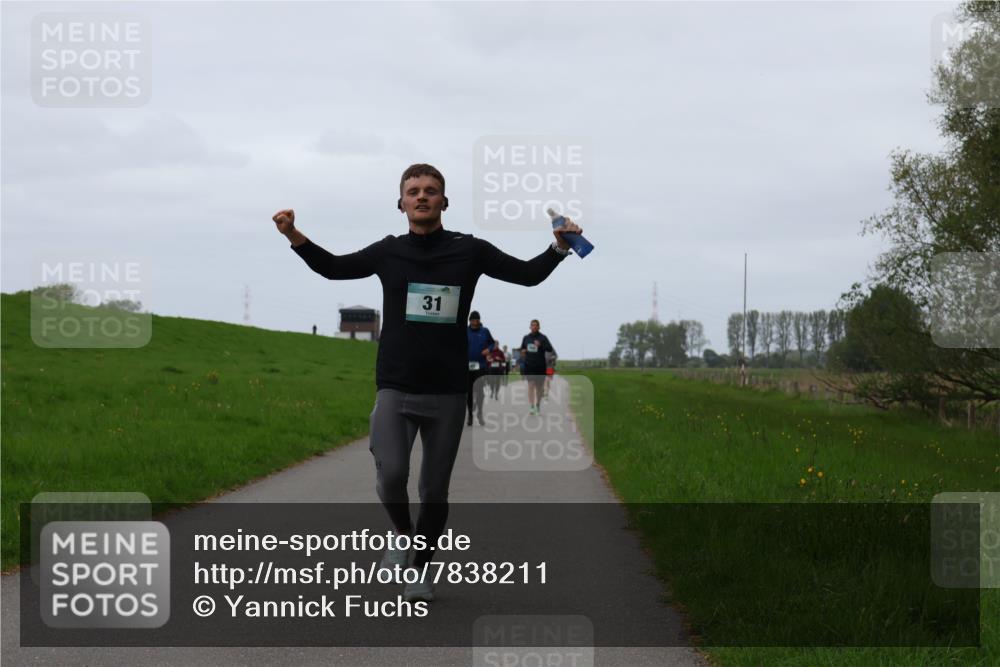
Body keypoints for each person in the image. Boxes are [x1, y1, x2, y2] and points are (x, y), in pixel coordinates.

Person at [274, 164, 582, 602]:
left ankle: (420, 568)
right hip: (395, 386)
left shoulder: (469, 250)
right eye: (413, 191)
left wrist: (558, 247)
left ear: (444, 202)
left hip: (448, 391)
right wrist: (293, 235)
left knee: (434, 490)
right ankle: (402, 534)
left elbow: (526, 274)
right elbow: (335, 269)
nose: (422, 196)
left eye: (431, 191)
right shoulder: (388, 252)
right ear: (400, 202)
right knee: (391, 475)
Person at [519, 319, 556, 415]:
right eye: (532, 325)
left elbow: (549, 348)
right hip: (529, 365)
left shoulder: (543, 337)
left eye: (536, 325)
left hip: (540, 366)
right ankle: (532, 407)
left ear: (539, 327)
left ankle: (538, 405)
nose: (534, 327)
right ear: (530, 327)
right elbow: (522, 348)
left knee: (539, 388)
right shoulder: (526, 338)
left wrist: (541, 345)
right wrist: (523, 352)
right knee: (530, 385)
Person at [466, 311, 493, 426]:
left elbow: (492, 343)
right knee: (469, 391)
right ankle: (470, 415)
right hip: (467, 366)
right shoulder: (465, 331)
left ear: (479, 320)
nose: (475, 321)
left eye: (477, 319)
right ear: (470, 320)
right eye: (473, 319)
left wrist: (489, 349)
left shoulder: (485, 331)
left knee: (480, 391)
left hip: (481, 366)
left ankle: (480, 413)